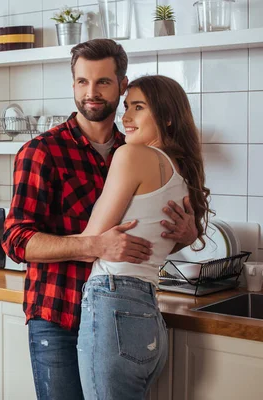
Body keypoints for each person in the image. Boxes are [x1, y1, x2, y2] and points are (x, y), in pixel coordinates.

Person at [2, 39, 199, 400]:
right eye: (82, 82)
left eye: (103, 82)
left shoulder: (137, 150)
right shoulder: (41, 152)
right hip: (57, 316)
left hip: (117, 317)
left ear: (122, 85)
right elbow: (17, 240)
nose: (91, 93)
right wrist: (94, 245)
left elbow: (155, 226)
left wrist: (186, 234)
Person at [75, 74, 212, 399]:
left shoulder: (131, 155)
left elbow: (89, 243)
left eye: (138, 107)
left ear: (166, 116)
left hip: (113, 306)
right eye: (126, 107)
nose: (125, 118)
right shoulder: (180, 170)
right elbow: (167, 237)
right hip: (147, 317)